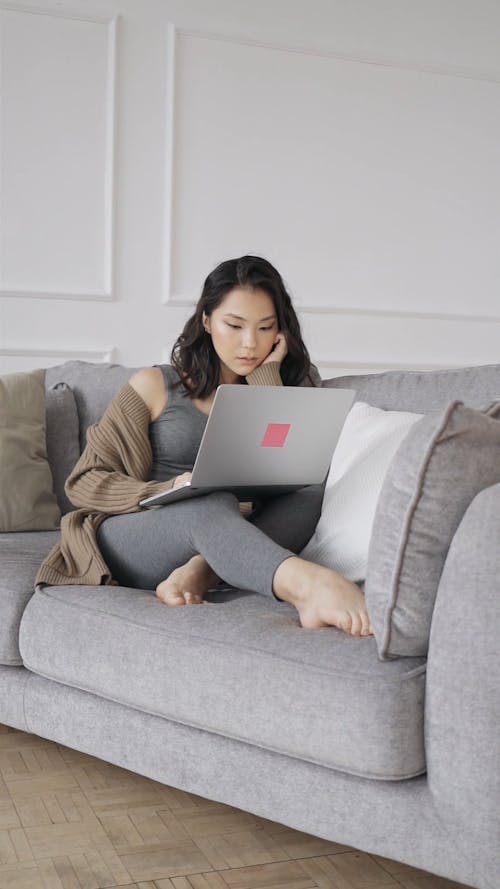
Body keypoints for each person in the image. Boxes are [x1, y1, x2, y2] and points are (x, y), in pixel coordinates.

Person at [36, 255, 373, 637]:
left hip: (228, 534)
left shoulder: (284, 383)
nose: (250, 343)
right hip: (136, 537)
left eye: (265, 328)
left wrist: (266, 379)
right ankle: (308, 586)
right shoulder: (154, 385)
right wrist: (170, 489)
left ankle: (203, 570)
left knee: (312, 490)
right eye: (234, 325)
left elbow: (288, 475)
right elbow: (83, 481)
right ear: (207, 320)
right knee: (210, 501)